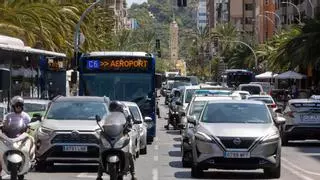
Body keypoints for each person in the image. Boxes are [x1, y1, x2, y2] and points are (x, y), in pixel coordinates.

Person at [96, 101, 137, 180]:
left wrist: (128, 127)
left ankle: (133, 174)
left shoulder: (124, 116)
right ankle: (99, 175)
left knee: (130, 153)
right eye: (113, 108)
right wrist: (101, 129)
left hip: (122, 136)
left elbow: (129, 124)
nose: (114, 110)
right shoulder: (107, 116)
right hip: (111, 137)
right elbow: (103, 124)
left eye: (116, 108)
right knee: (101, 153)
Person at [0, 96, 34, 180]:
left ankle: (32, 159)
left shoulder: (25, 116)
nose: (18, 107)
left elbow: (30, 124)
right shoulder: (8, 116)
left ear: (22, 106)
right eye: (16, 106)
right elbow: (4, 123)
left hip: (22, 136)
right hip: (9, 136)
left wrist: (30, 126)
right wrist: (2, 126)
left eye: (19, 105)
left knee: (31, 139)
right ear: (13, 107)